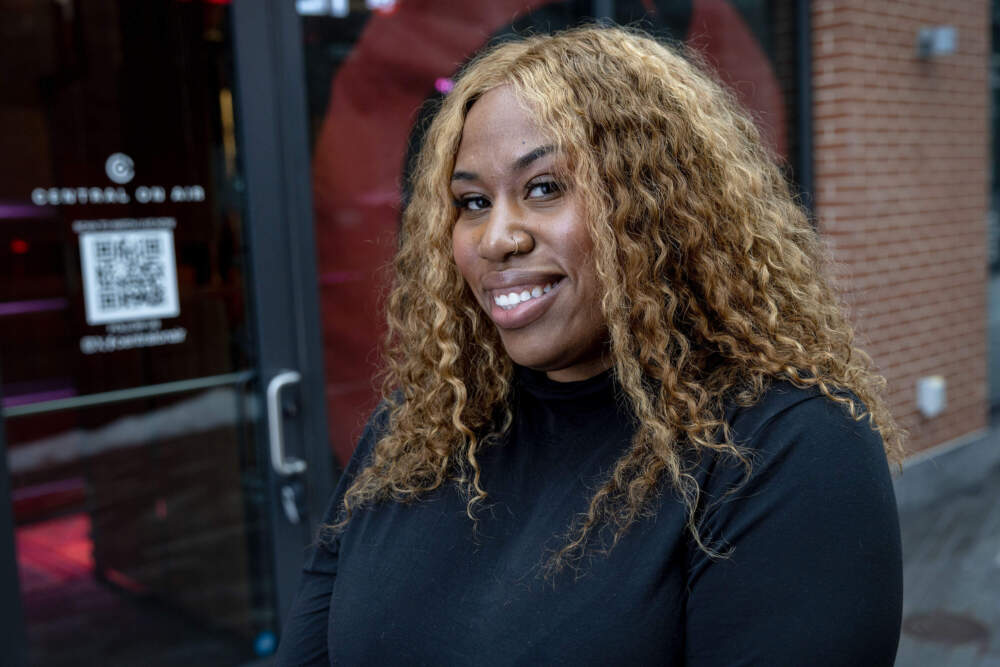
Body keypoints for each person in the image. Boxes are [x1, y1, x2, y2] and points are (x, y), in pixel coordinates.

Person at [276, 25, 904, 666]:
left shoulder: (785, 446)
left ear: (656, 206)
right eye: (472, 201)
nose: (496, 238)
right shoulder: (423, 426)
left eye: (543, 187)